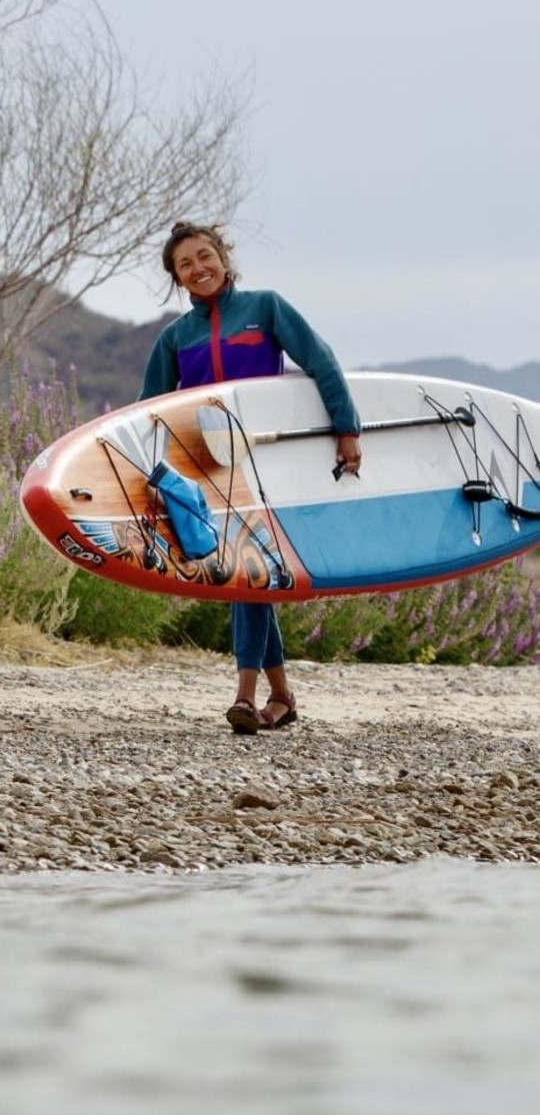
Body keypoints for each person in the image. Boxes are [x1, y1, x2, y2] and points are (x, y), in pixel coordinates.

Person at [139, 220, 362, 735]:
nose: (198, 269)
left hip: (268, 464)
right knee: (250, 574)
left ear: (224, 256)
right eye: (185, 265)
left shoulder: (266, 308)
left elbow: (321, 361)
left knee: (250, 571)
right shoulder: (175, 337)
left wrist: (346, 428)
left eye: (204, 256)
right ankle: (281, 695)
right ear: (177, 279)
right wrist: (152, 474)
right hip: (211, 473)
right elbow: (148, 411)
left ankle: (245, 693)